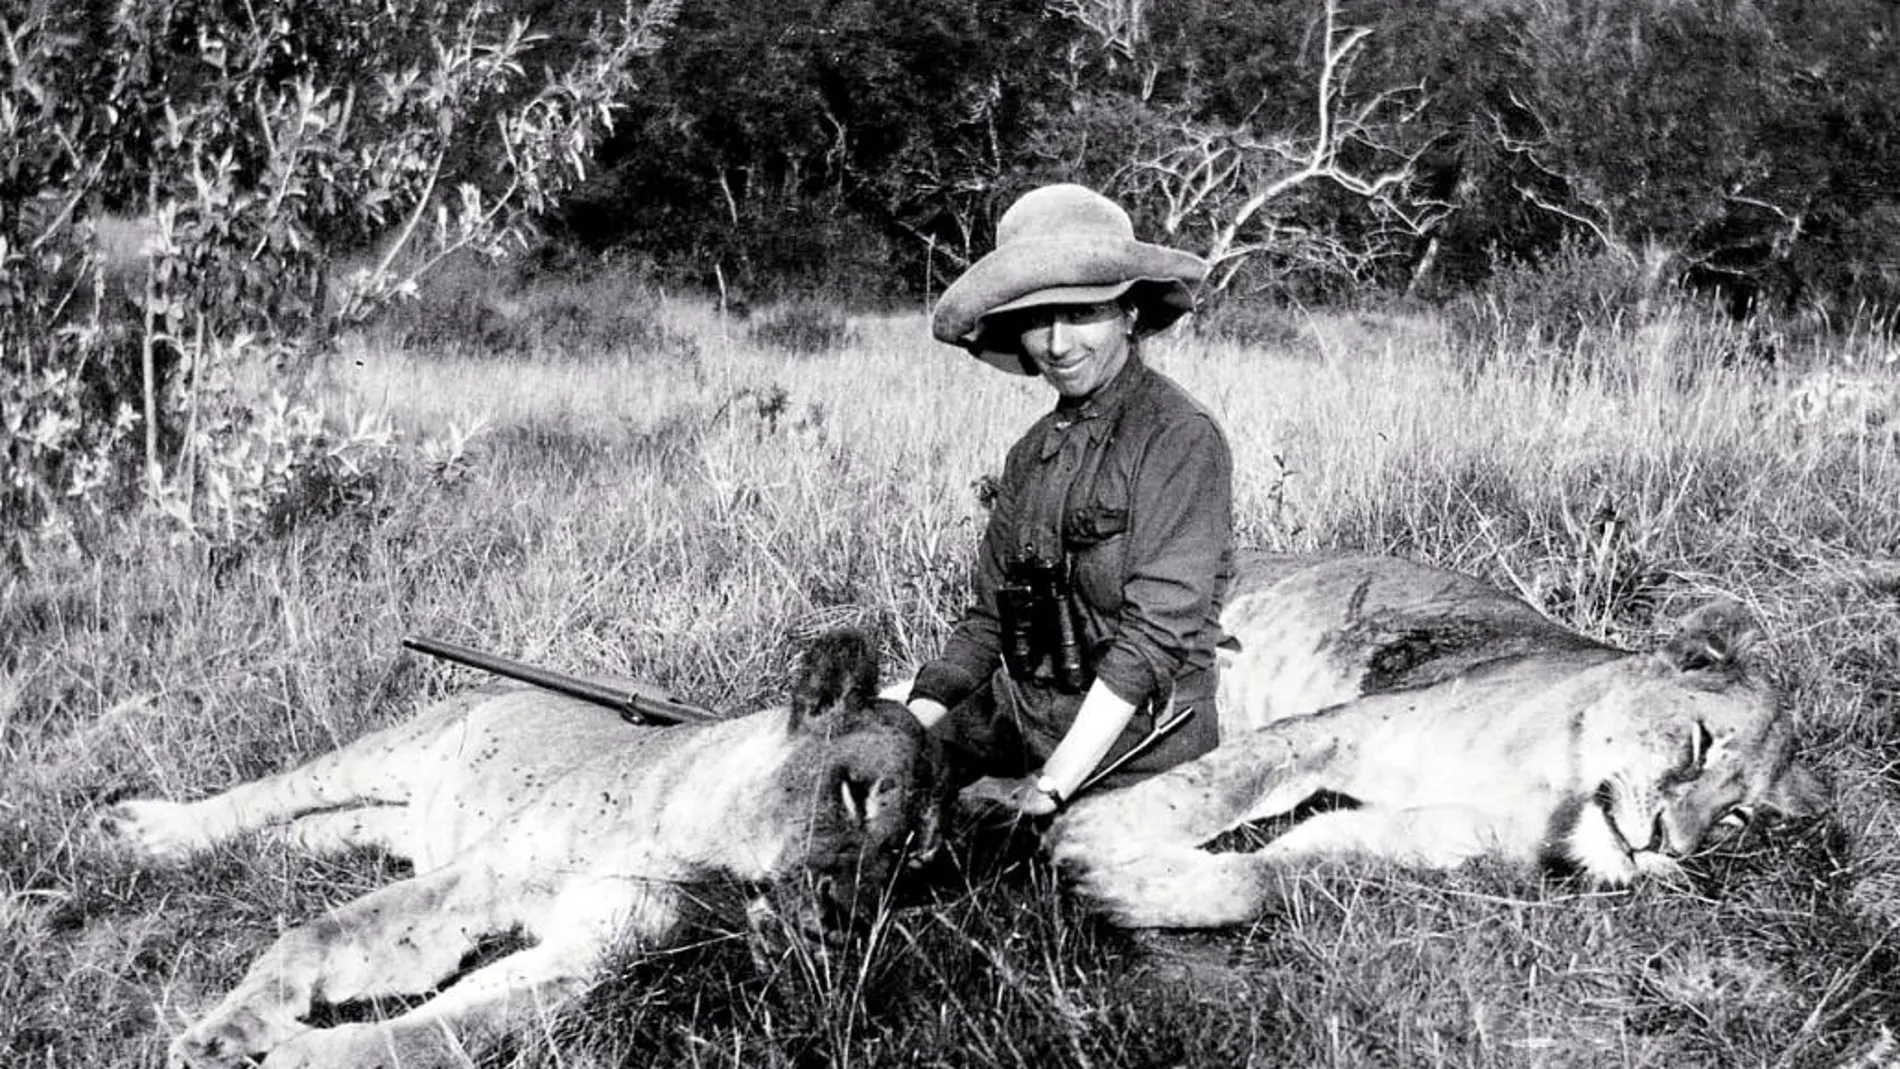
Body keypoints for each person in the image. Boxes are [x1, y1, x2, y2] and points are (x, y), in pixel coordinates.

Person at [907, 183, 1236, 820]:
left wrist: (1051, 787)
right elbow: (989, 622)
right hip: (1023, 718)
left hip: (1137, 748)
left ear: (1131, 313)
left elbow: (1154, 640)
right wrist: (909, 728)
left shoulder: (1178, 437)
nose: (1058, 345)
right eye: (1036, 319)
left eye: (1082, 314)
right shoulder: (1030, 453)